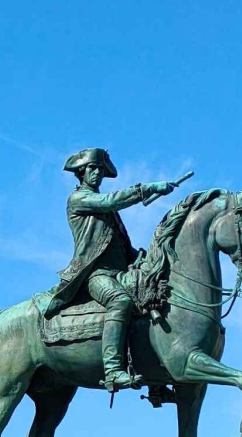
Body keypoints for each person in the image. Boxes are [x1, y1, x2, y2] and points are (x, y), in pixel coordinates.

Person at [45, 148, 175, 392]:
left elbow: (118, 242)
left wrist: (143, 259)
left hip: (120, 272)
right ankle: (113, 370)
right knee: (120, 302)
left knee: (151, 295)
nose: (97, 173)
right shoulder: (79, 199)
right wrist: (147, 189)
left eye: (101, 170)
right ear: (81, 172)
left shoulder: (108, 211)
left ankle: (155, 379)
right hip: (95, 274)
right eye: (92, 168)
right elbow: (110, 201)